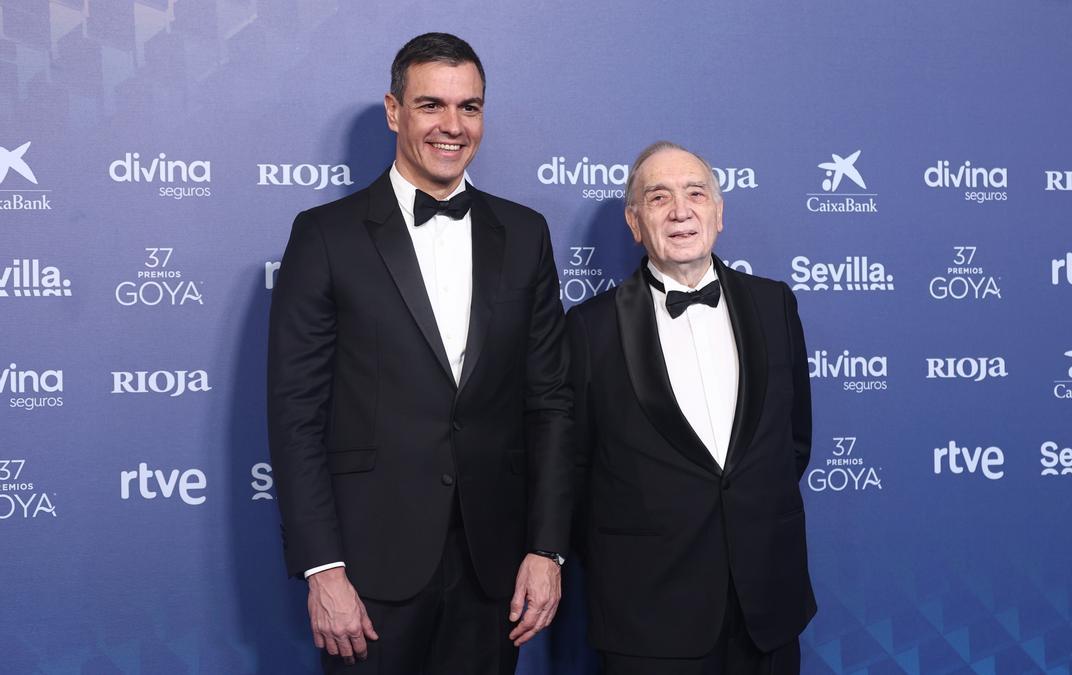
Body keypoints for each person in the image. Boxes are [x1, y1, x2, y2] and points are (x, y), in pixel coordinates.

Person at [267, 32, 572, 674]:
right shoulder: (325, 236)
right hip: (369, 569)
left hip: (494, 570)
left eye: (470, 107)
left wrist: (547, 549)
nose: (452, 126)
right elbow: (296, 416)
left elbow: (550, 403)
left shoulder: (524, 234)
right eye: (431, 105)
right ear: (393, 110)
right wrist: (323, 569)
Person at [567, 142, 818, 674]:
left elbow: (793, 444)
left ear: (719, 213)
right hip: (648, 617)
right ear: (635, 223)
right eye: (659, 198)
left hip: (766, 607)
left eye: (695, 193)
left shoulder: (776, 305)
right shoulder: (589, 329)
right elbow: (573, 471)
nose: (681, 211)